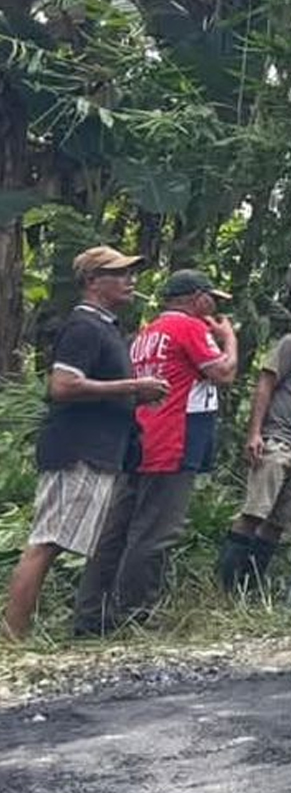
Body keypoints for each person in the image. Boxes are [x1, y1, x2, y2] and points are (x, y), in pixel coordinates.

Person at [3, 248, 166, 641]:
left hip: (95, 451)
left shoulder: (105, 327)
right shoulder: (84, 327)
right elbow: (62, 385)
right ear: (92, 281)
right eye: (119, 273)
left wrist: (131, 396)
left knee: (55, 541)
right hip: (77, 451)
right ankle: (11, 635)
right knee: (48, 540)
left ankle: (15, 633)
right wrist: (132, 387)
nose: (130, 280)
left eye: (131, 272)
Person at [74, 270, 239, 634]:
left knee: (117, 531)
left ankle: (91, 615)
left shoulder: (146, 333)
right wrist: (228, 339)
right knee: (155, 533)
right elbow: (224, 373)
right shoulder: (188, 327)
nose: (214, 307)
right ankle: (133, 616)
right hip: (173, 440)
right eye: (211, 299)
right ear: (196, 298)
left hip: (140, 439)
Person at [216, 293, 291, 593]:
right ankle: (226, 587)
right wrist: (255, 432)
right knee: (254, 512)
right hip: (280, 438)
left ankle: (251, 589)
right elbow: (266, 385)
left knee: (279, 524)